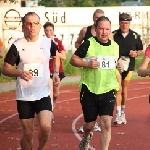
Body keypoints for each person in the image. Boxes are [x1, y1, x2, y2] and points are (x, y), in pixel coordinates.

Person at [1, 12, 60, 150]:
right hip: (24, 95)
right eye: (28, 23)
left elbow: (55, 56)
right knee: (28, 134)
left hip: (43, 93)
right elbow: (5, 69)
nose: (32, 26)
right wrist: (20, 72)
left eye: (35, 23)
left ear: (40, 26)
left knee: (46, 127)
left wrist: (55, 72)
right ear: (23, 27)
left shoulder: (49, 43)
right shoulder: (17, 46)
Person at [70, 16, 120, 150]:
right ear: (96, 29)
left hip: (108, 89)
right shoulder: (89, 43)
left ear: (110, 31)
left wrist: (119, 67)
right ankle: (86, 137)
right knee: (89, 125)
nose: (104, 32)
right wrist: (87, 63)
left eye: (107, 29)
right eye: (101, 29)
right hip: (89, 89)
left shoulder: (115, 46)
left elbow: (115, 65)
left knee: (106, 122)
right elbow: (73, 60)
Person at [75, 9, 105, 132]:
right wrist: (84, 52)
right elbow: (77, 43)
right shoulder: (85, 30)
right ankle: (88, 121)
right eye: (97, 17)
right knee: (89, 94)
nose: (99, 19)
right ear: (93, 18)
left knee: (100, 94)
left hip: (102, 69)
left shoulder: (107, 33)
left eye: (101, 17)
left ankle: (95, 122)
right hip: (88, 66)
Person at [113, 13, 143, 124]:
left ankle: (123, 113)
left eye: (126, 23)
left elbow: (140, 49)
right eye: (122, 23)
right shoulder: (114, 35)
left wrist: (136, 53)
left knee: (124, 90)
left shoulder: (135, 36)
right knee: (118, 89)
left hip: (129, 65)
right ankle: (118, 114)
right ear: (119, 23)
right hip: (116, 65)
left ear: (129, 24)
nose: (124, 25)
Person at [43, 22, 66, 124]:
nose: (49, 32)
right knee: (49, 93)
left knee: (56, 94)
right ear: (44, 31)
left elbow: (64, 56)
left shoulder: (57, 42)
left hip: (57, 70)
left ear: (53, 31)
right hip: (46, 70)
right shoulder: (42, 42)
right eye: (47, 30)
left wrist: (55, 53)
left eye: (50, 30)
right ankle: (49, 113)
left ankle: (51, 107)